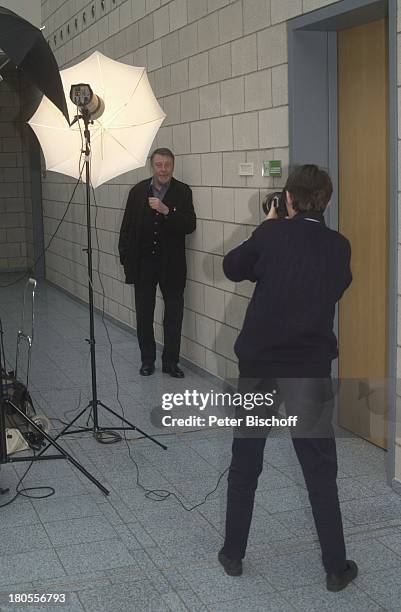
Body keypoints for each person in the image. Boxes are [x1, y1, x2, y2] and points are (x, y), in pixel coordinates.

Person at [218, 164, 358, 592]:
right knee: (319, 469)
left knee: (246, 462)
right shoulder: (339, 246)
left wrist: (267, 225)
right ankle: (336, 567)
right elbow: (336, 287)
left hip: (260, 368)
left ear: (289, 200)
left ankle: (234, 554)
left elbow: (232, 267)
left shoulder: (270, 234)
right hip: (309, 370)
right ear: (328, 201)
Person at [118, 148, 196, 378]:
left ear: (173, 166)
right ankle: (147, 360)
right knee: (144, 313)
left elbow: (190, 225)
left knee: (174, 314)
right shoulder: (137, 191)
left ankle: (171, 362)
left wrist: (167, 211)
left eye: (167, 165)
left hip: (172, 266)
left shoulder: (183, 192)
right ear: (151, 165)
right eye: (159, 165)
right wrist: (125, 258)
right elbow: (127, 227)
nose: (163, 169)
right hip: (144, 264)